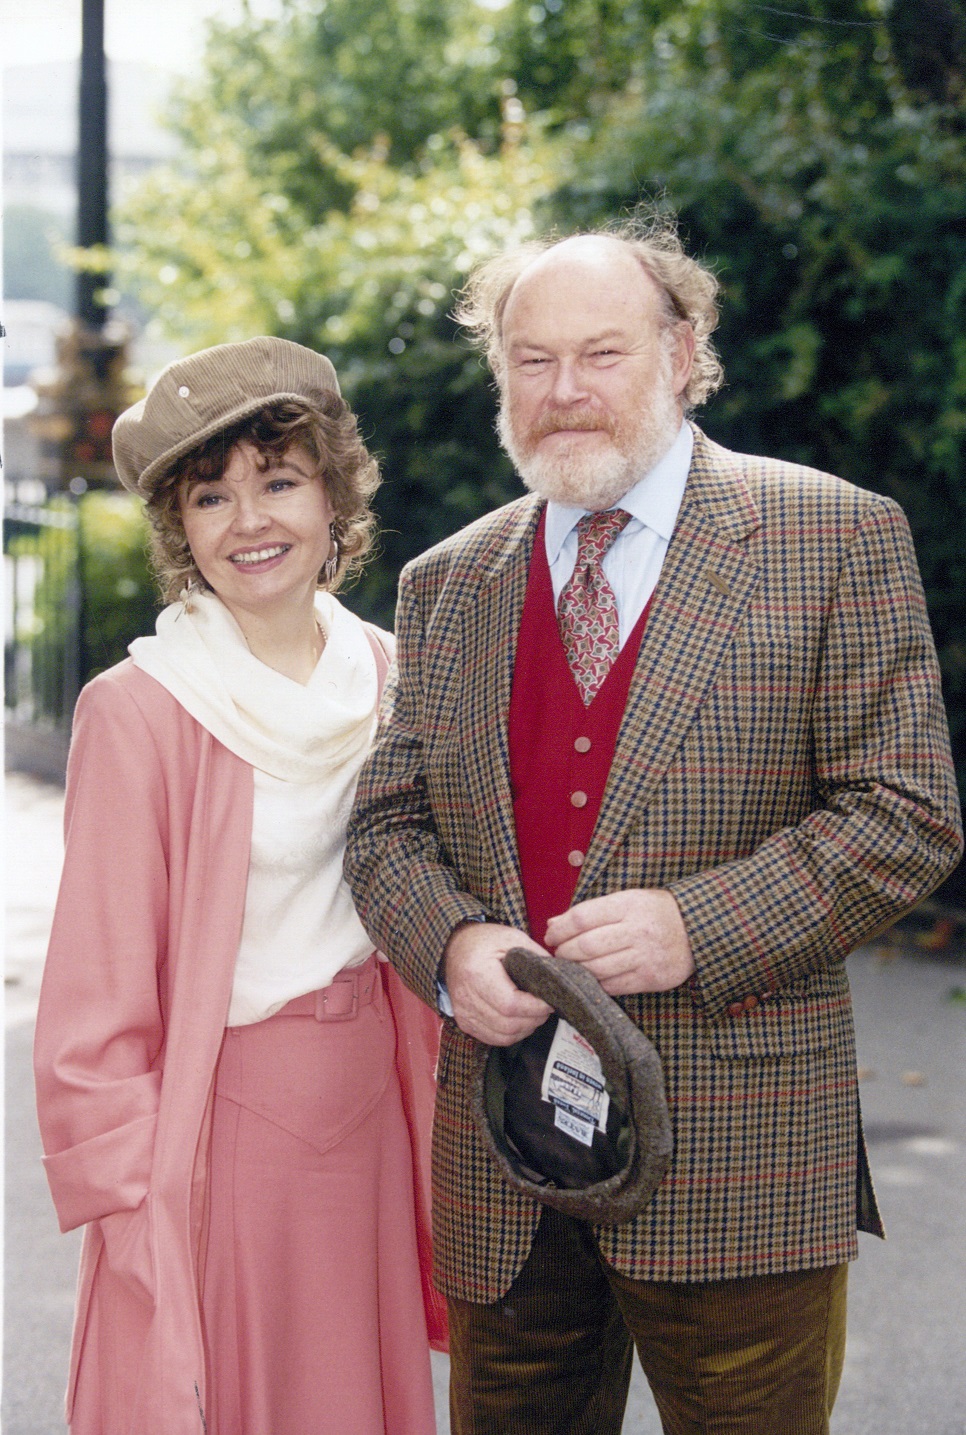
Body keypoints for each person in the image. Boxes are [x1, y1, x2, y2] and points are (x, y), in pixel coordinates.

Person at [343, 217, 964, 1435]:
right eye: (531, 360)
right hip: (508, 1163)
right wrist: (454, 947)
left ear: (683, 353)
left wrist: (699, 923)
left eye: (601, 353)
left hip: (742, 1158)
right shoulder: (448, 581)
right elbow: (387, 828)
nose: (564, 391)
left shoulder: (833, 537)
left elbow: (909, 812)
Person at [34, 336, 445, 1435]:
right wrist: (128, 1208)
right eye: (211, 496)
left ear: (334, 497)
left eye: (279, 481)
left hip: (373, 1113)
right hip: (219, 1133)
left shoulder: (396, 678)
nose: (249, 521)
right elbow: (91, 1004)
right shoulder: (144, 710)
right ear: (181, 531)